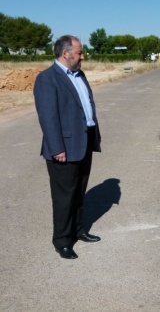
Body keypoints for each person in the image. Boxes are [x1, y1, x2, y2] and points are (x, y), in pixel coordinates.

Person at [34, 35, 102, 259]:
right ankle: (62, 240)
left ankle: (79, 230)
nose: (83, 56)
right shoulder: (47, 79)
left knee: (79, 192)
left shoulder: (79, 75)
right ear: (66, 53)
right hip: (63, 147)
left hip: (84, 142)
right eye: (79, 52)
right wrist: (57, 149)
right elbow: (48, 117)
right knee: (64, 197)